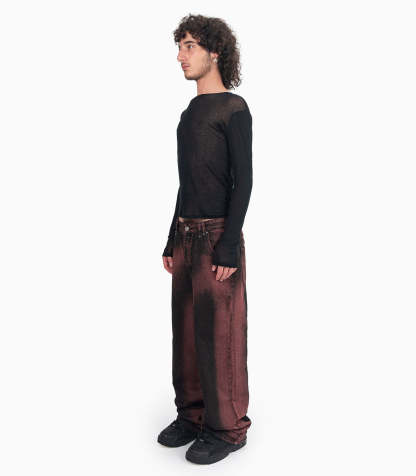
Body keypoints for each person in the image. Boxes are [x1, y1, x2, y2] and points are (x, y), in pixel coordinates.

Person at [157, 14, 253, 465]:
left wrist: (229, 243)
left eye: (189, 46)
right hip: (186, 234)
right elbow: (188, 181)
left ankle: (228, 429)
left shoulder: (233, 108)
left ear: (215, 51)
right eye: (179, 46)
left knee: (220, 337)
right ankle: (192, 415)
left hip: (217, 235)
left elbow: (243, 181)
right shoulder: (188, 114)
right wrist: (169, 238)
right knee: (187, 335)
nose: (180, 55)